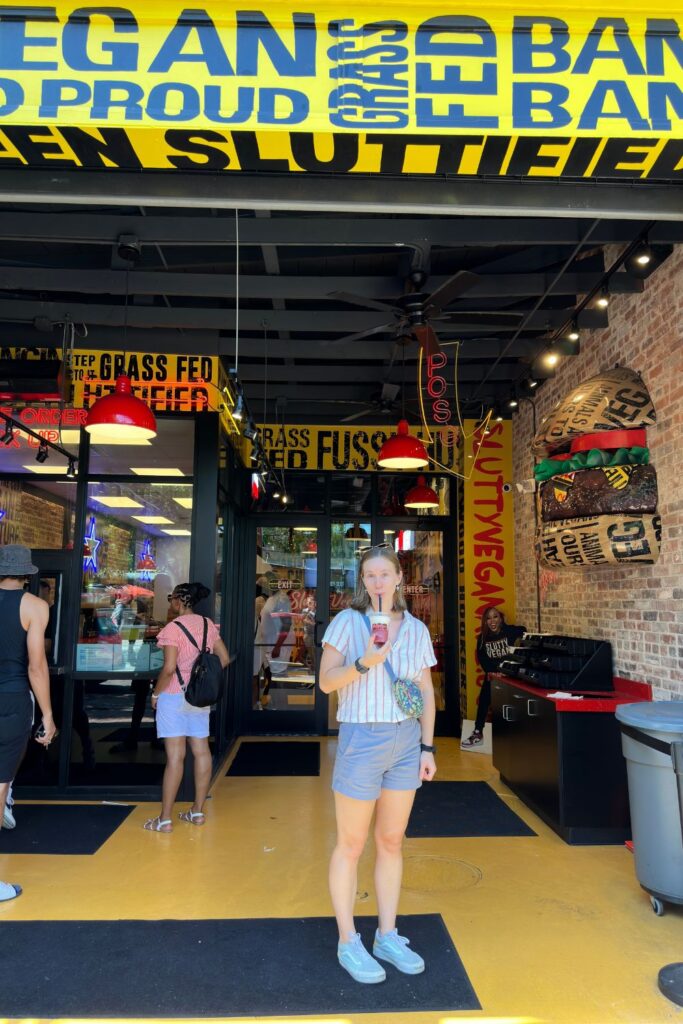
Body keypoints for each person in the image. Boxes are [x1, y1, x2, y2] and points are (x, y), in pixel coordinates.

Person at [319, 544, 437, 984]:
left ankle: (387, 934)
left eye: (384, 574)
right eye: (369, 575)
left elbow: (425, 692)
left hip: (406, 741)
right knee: (350, 844)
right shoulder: (348, 622)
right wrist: (366, 662)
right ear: (362, 581)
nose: (377, 582)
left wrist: (427, 748)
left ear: (399, 577)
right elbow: (326, 682)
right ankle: (348, 940)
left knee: (391, 840)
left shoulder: (418, 630)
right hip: (362, 736)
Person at [143, 582, 229, 833]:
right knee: (202, 751)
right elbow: (223, 659)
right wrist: (203, 677)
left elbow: (169, 668)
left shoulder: (173, 628)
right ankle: (198, 812)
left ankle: (165, 819)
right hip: (198, 697)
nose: (170, 602)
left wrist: (155, 693)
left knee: (175, 757)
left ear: (179, 600)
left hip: (173, 696)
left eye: (171, 597)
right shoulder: (207, 625)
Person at [0, 545, 58, 899]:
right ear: (27, 574)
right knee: (0, 785)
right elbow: (37, 666)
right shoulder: (35, 607)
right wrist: (48, 715)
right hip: (11, 700)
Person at [461, 606, 526, 749]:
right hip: (493, 675)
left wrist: (514, 663)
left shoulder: (509, 632)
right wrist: (492, 672)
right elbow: (482, 657)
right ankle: (478, 733)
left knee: (513, 703)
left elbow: (523, 630)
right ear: (485, 621)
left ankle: (518, 736)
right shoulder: (483, 638)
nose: (492, 621)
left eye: (495, 617)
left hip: (510, 676)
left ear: (501, 618)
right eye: (488, 618)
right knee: (484, 701)